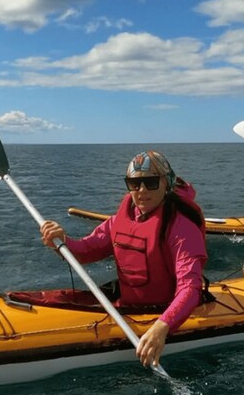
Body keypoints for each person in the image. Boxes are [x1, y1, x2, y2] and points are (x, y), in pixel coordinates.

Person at [40, 150, 207, 368]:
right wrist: (60, 242)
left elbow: (190, 288)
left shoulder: (181, 227)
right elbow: (85, 250)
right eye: (134, 183)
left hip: (163, 311)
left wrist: (161, 328)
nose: (142, 190)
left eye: (151, 182)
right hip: (128, 305)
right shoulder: (124, 215)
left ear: (166, 183)